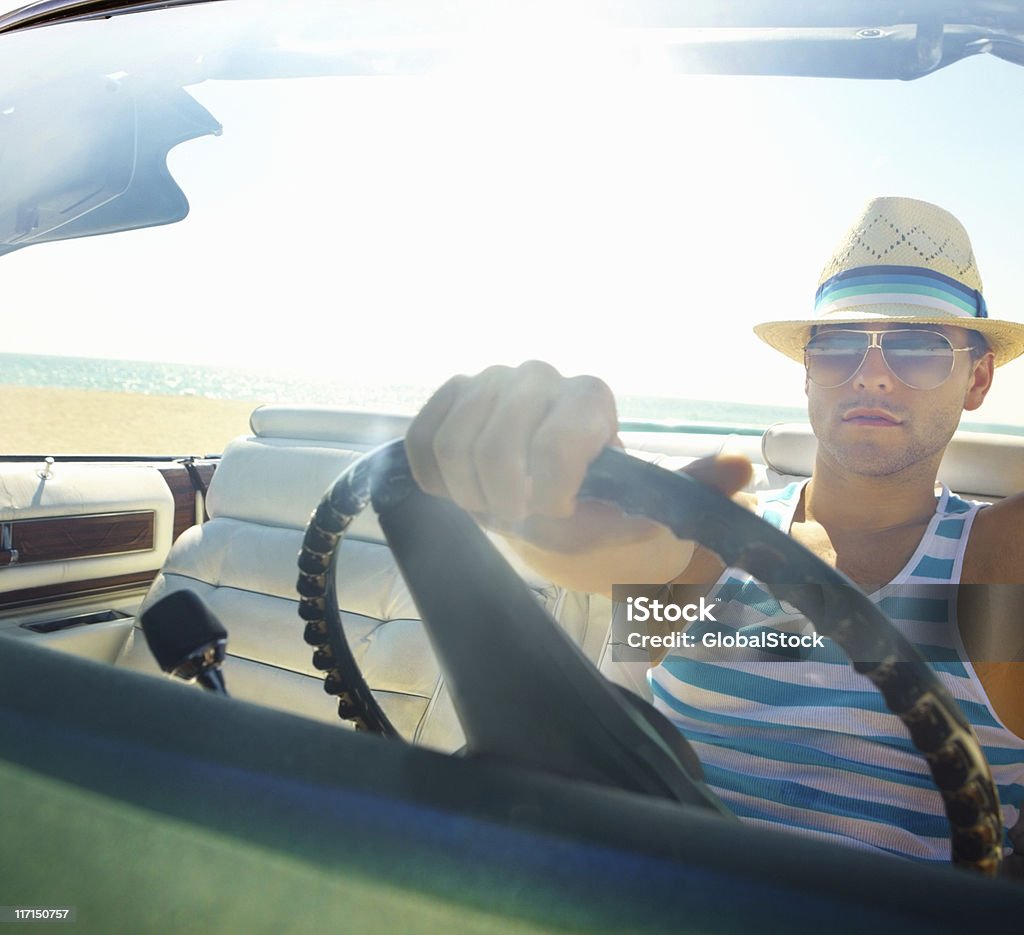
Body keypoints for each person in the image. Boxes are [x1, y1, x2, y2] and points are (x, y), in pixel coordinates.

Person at [404, 196, 1024, 871]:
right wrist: (541, 498)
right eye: (840, 345)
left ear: (979, 377)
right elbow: (615, 550)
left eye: (919, 347)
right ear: (809, 372)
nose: (872, 372)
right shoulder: (719, 540)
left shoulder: (992, 565)